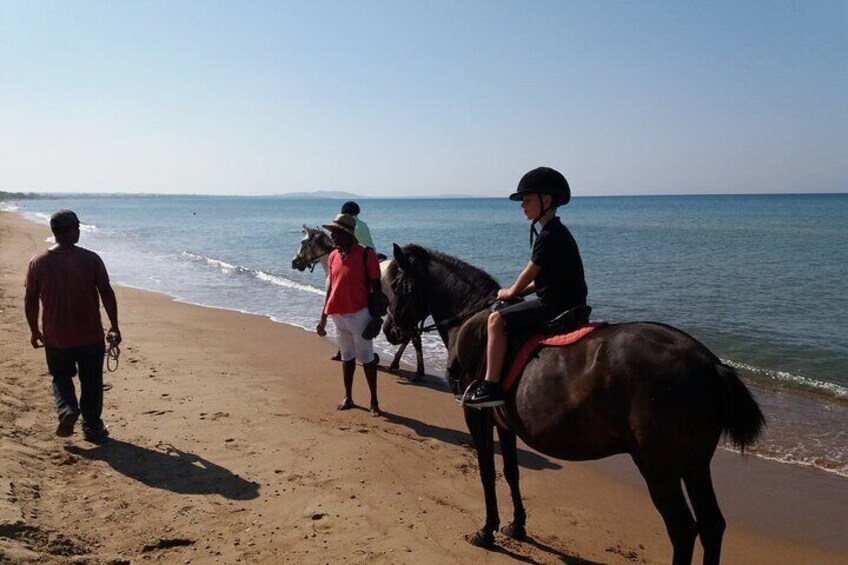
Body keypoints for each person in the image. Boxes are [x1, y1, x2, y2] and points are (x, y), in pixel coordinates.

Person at [463, 167, 588, 408]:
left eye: (527, 200)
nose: (523, 205)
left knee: (495, 320)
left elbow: (529, 271)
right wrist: (522, 291)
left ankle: (491, 387)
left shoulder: (549, 235)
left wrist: (510, 292)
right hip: (571, 302)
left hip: (555, 305)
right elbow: (544, 278)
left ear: (547, 200)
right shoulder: (558, 232)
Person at [25, 210, 121, 442]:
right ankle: (92, 427)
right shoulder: (91, 259)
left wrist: (34, 330)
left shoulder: (38, 262)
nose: (78, 231)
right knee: (92, 382)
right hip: (90, 334)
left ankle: (67, 409)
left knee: (60, 376)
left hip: (56, 336)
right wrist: (114, 325)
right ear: (72, 230)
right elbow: (106, 293)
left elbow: (30, 299)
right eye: (76, 227)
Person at [316, 213, 383, 416]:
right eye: (332, 233)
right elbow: (331, 287)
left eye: (335, 233)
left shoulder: (366, 255)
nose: (332, 237)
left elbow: (377, 288)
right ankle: (348, 396)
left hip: (360, 313)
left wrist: (376, 317)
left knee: (367, 358)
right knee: (347, 358)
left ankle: (374, 402)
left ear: (347, 234)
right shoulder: (334, 256)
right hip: (338, 314)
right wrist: (323, 317)